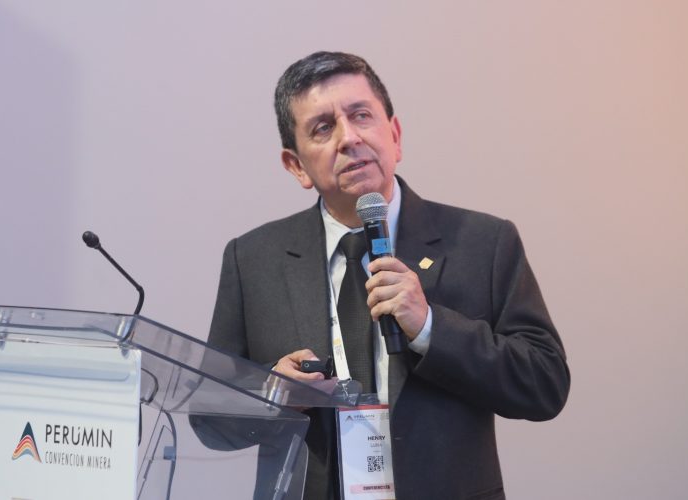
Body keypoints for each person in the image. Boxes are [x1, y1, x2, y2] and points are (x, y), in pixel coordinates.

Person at [207, 51, 570, 500]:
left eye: (361, 115)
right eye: (323, 128)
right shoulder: (253, 259)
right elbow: (209, 417)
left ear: (394, 136)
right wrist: (273, 393)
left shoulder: (483, 243)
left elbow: (544, 385)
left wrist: (430, 328)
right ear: (296, 165)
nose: (349, 138)